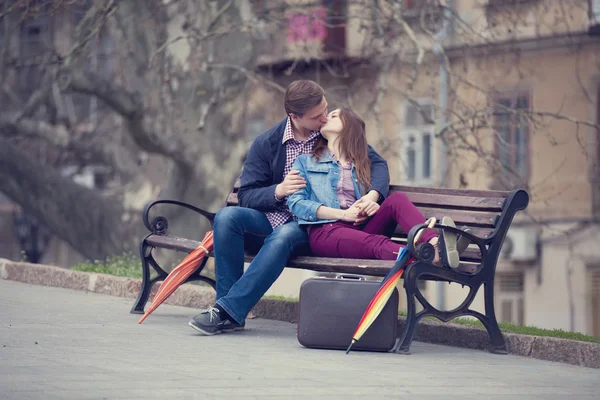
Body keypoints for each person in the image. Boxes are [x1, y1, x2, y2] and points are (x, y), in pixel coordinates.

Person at [188, 81, 391, 335]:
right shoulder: (268, 143)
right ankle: (227, 310)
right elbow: (247, 195)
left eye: (325, 109)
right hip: (272, 219)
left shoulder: (330, 133)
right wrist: (279, 190)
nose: (325, 117)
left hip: (313, 225)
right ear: (294, 116)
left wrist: (373, 194)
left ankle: (225, 312)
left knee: (284, 235)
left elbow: (378, 163)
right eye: (317, 116)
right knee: (227, 217)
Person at [288, 107, 468, 266]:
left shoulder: (361, 163)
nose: (326, 117)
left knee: (396, 200)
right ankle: (430, 257)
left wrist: (369, 204)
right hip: (326, 231)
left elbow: (380, 169)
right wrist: (343, 214)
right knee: (376, 243)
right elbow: (296, 204)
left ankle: (435, 242)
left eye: (334, 115)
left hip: (359, 228)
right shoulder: (305, 162)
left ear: (348, 126)